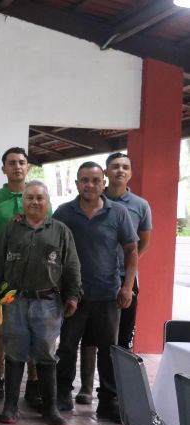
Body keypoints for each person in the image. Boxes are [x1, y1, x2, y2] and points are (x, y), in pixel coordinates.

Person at [0, 180, 81, 425]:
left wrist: (73, 295)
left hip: (48, 303)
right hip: (14, 301)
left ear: (48, 202)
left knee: (46, 356)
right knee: (15, 353)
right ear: (23, 202)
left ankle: (49, 409)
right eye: (30, 198)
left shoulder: (60, 230)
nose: (34, 202)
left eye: (40, 198)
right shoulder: (11, 228)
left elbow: (71, 265)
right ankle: (10, 406)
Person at [53, 161, 138, 423]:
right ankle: (62, 393)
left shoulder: (118, 213)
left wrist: (127, 287)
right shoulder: (64, 213)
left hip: (108, 295)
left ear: (103, 183)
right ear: (76, 184)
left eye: (94, 180)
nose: (89, 185)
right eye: (84, 180)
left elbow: (131, 251)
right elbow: (49, 243)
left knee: (108, 349)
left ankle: (108, 400)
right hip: (73, 295)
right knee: (67, 346)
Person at [76, 152, 153, 405]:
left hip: (124, 281)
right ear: (106, 174)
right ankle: (86, 388)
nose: (120, 170)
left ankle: (114, 392)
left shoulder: (140, 205)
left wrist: (124, 274)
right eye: (115, 167)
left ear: (130, 173)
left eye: (125, 167)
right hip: (93, 281)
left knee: (119, 339)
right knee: (89, 335)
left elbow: (140, 245)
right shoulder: (92, 199)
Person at [0, 147, 42, 408]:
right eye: (11, 163)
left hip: (34, 278)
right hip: (2, 277)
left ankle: (34, 384)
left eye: (22, 162)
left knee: (33, 330)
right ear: (3, 168)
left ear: (28, 167)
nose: (17, 167)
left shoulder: (38, 196)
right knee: (0, 330)